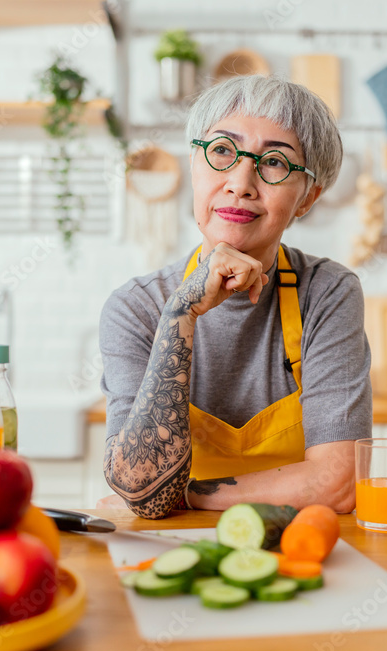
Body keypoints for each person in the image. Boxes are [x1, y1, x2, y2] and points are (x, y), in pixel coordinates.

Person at [98, 75, 372, 519]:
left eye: (276, 162)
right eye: (222, 151)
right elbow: (137, 479)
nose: (241, 182)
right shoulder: (136, 308)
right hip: (168, 551)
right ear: (194, 165)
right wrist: (181, 314)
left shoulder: (327, 292)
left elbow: (338, 483)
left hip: (296, 550)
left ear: (307, 198)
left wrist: (180, 494)